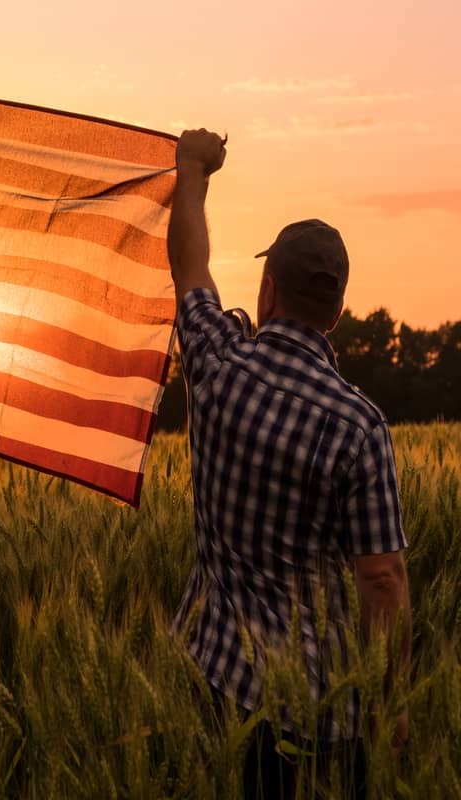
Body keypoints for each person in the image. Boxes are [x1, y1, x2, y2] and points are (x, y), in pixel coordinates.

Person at [167, 129, 411, 797]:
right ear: (334, 313)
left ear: (268, 290)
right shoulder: (359, 426)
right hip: (317, 712)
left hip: (211, 678)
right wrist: (391, 702)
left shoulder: (217, 362)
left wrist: (194, 169)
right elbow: (383, 580)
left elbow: (189, 264)